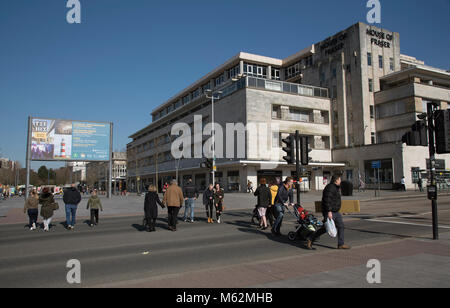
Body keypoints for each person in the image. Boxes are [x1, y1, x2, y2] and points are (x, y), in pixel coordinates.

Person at [307, 175, 350, 250]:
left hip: (336, 211)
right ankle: (311, 238)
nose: (340, 181)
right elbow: (327, 200)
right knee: (325, 228)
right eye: (340, 180)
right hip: (330, 212)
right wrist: (329, 211)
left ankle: (341, 244)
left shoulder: (335, 188)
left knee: (341, 226)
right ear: (336, 180)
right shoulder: (330, 188)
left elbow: (335, 200)